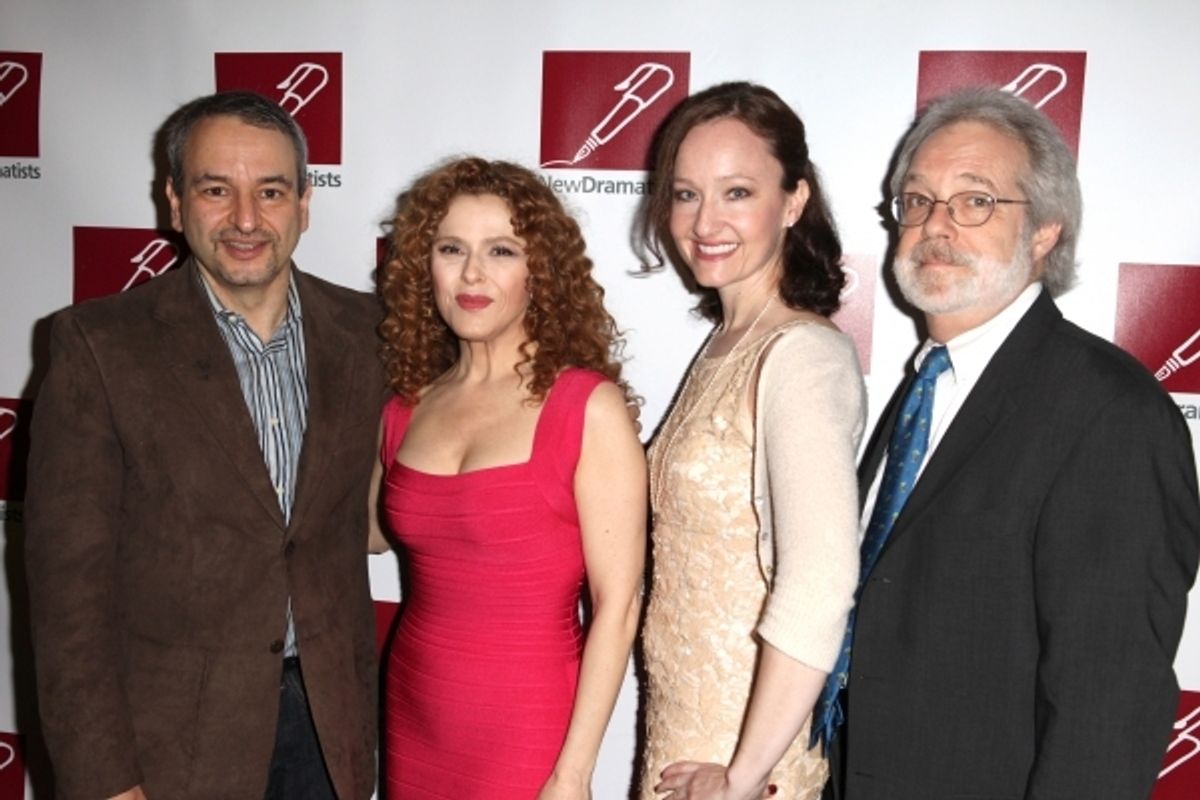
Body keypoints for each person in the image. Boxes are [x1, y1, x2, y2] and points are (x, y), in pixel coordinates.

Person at [819, 87, 1200, 799]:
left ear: (1047, 231)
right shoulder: (925, 386)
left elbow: (1108, 711)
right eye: (918, 201)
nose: (937, 226)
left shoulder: (1110, 415)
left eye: (975, 202)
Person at [24, 91, 383, 800]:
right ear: (175, 202)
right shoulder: (98, 346)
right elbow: (68, 601)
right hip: (169, 748)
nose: (246, 220)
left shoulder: (369, 333)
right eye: (216, 189)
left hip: (330, 732)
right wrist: (105, 783)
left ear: (305, 203)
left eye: (271, 191)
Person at [368, 157, 646, 798]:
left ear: (538, 273)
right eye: (450, 248)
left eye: (500, 250)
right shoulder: (404, 408)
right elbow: (369, 537)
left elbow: (618, 605)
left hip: (528, 726)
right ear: (423, 267)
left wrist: (572, 774)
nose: (472, 273)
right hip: (414, 708)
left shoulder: (585, 407)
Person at [638, 81, 865, 799]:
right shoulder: (727, 342)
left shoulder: (799, 355)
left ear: (794, 202)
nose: (704, 221)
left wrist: (746, 774)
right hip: (683, 731)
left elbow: (821, 580)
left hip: (740, 755)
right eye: (685, 194)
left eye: (736, 192)